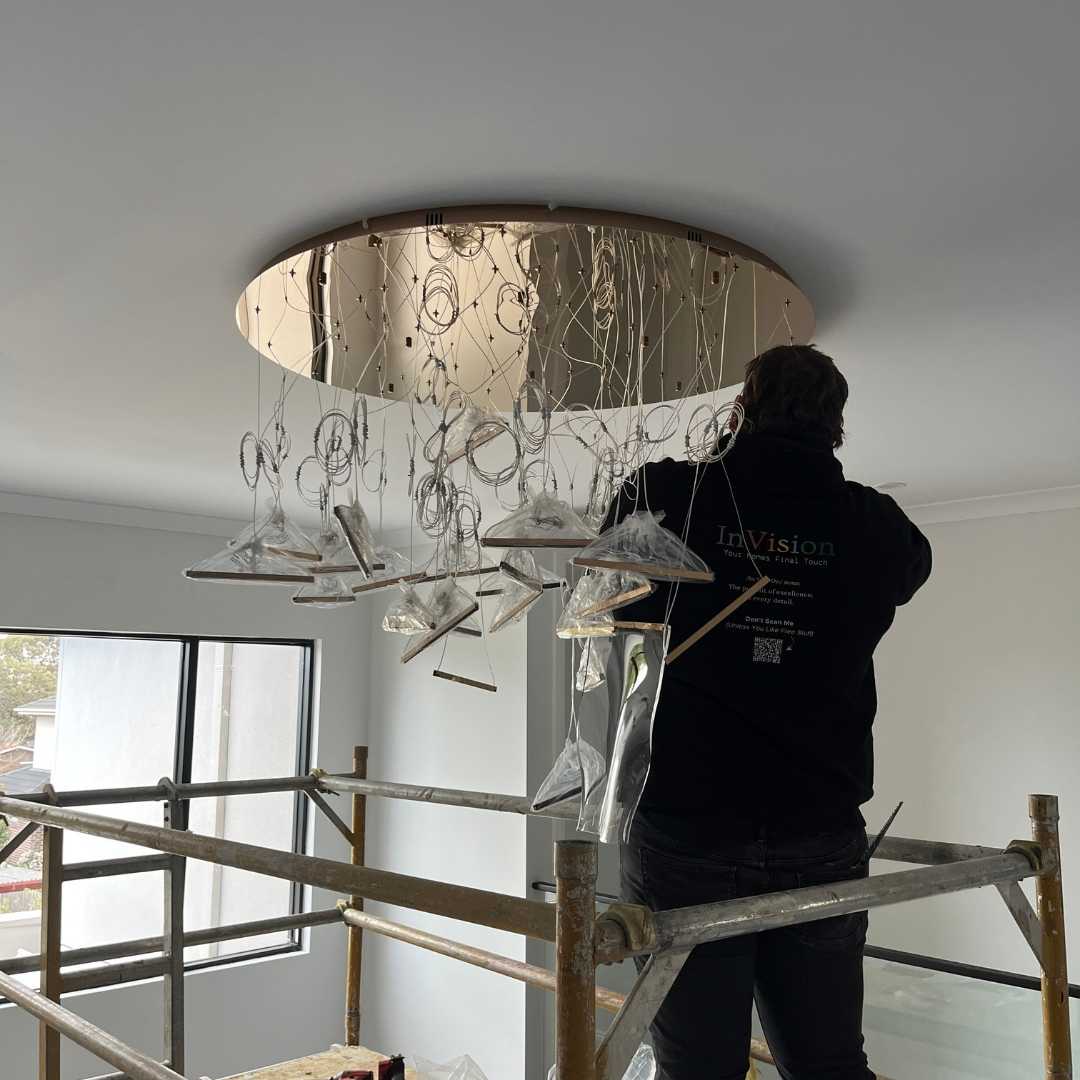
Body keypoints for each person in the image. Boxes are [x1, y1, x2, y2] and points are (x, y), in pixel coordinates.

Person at [613, 344, 932, 1080]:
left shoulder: (669, 493)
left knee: (699, 1067)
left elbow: (613, 580)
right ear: (837, 426)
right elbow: (914, 565)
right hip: (817, 829)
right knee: (826, 1064)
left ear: (743, 406)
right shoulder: (871, 523)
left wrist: (724, 468)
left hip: (688, 827)